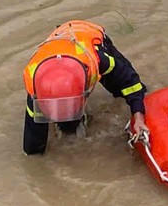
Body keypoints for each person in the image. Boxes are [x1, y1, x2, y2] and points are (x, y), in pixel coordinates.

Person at [23, 20, 148, 155]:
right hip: (59, 41)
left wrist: (139, 118)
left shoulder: (99, 60)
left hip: (91, 36)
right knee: (65, 129)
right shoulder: (34, 85)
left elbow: (131, 83)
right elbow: (32, 143)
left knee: (126, 92)